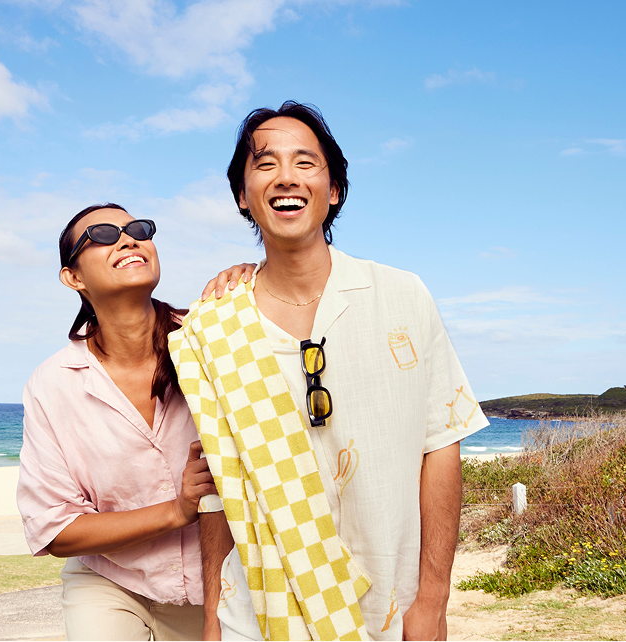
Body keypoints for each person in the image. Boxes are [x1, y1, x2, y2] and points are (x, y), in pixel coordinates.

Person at [169, 102, 488, 642]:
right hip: (259, 612)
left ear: (334, 188)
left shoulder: (402, 296)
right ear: (243, 195)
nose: (286, 177)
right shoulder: (216, 324)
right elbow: (221, 486)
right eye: (265, 164)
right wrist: (211, 617)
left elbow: (441, 445)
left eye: (305, 162)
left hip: (390, 606)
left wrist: (433, 599)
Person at [16, 203, 253, 642]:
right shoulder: (52, 384)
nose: (128, 240)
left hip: (222, 583)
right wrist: (177, 510)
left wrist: (257, 276)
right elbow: (56, 530)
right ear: (73, 277)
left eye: (138, 230)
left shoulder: (211, 341)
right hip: (111, 581)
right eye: (103, 235)